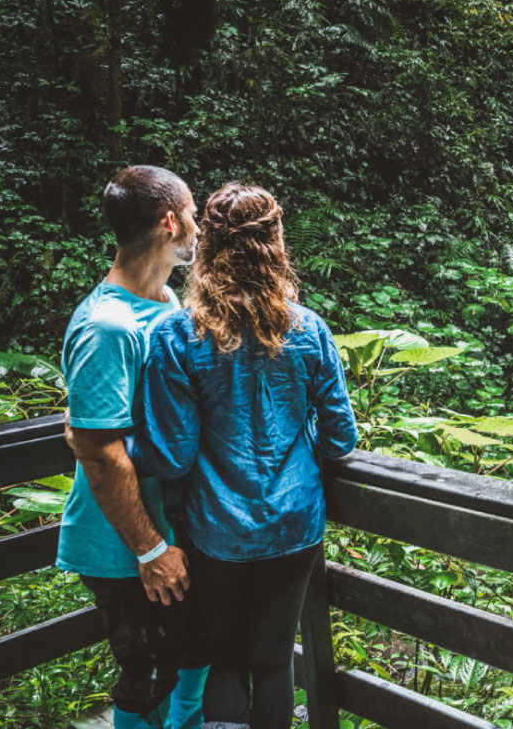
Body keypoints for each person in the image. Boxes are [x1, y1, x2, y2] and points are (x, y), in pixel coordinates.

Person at [135, 182, 357, 729]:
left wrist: (117, 446)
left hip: (216, 527)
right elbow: (340, 439)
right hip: (294, 522)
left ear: (207, 244)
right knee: (275, 663)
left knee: (227, 660)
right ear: (275, 242)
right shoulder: (307, 329)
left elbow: (174, 455)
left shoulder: (178, 335)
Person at [57, 165, 210, 729]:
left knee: (192, 653)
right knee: (147, 673)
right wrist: (150, 551)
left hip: (169, 526)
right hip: (126, 545)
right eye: (193, 213)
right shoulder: (109, 326)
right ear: (170, 223)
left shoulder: (165, 302)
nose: (199, 225)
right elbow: (97, 449)